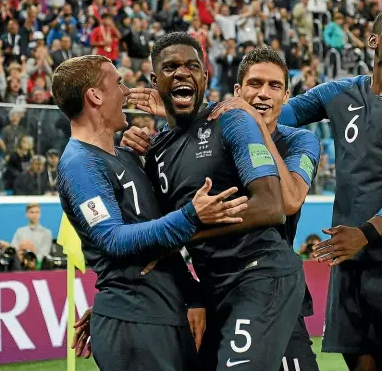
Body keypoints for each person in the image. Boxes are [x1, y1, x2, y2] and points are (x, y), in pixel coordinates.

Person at [214, 7, 382, 371]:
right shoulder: (339, 93)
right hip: (349, 253)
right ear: (372, 40)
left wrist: (366, 233)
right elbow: (271, 112)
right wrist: (193, 117)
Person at [122, 45, 321, 371]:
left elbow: (287, 202)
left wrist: (250, 120)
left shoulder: (299, 140)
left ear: (286, 96)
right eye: (255, 84)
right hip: (216, 285)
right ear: (238, 91)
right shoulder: (214, 127)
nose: (264, 93)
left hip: (267, 280)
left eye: (274, 86)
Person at [52, 54, 248, 371]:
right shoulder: (79, 165)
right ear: (95, 96)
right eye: (118, 83)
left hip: (164, 314)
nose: (127, 91)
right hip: (134, 324)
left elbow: (157, 240)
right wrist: (192, 216)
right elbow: (112, 239)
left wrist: (192, 294)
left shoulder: (128, 156)